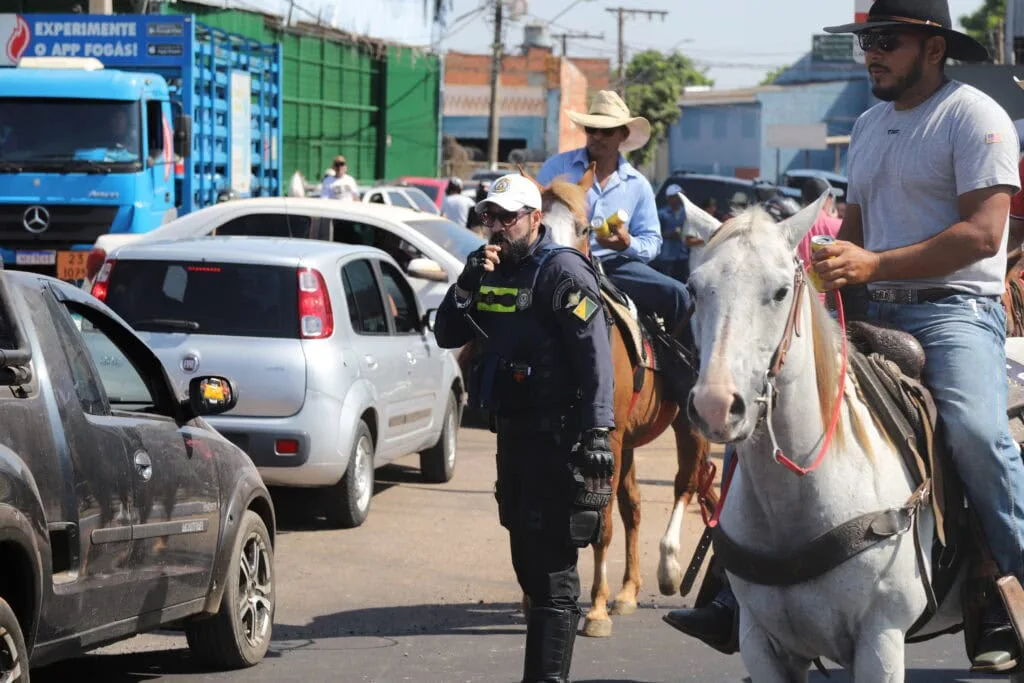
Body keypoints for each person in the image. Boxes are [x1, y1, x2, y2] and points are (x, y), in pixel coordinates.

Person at [666, 0, 1024, 670]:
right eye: (867, 42)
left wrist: (873, 263)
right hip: (869, 306)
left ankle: (1010, 585)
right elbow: (855, 232)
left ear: (933, 47)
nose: (872, 54)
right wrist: (833, 266)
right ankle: (731, 586)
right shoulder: (866, 126)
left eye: (886, 41)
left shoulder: (975, 117)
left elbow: (983, 234)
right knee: (765, 406)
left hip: (956, 313)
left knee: (976, 431)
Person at [433, 174, 616, 683]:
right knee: (527, 565)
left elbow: (595, 358)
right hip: (513, 439)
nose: (496, 226)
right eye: (490, 215)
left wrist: (598, 432)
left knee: (554, 577)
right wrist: (466, 284)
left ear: (536, 218)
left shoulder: (562, 272)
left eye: (507, 217)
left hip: (559, 443)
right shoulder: (489, 269)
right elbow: (447, 332)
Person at [535, 90, 693, 397]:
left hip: (617, 265)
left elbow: (652, 242)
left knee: (678, 295)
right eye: (591, 129)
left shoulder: (638, 184)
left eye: (606, 131)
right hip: (562, 265)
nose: (597, 136)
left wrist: (626, 243)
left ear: (622, 134)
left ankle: (684, 382)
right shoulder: (557, 168)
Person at [653, 183, 690, 282]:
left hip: (682, 255)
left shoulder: (686, 213)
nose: (678, 199)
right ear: (668, 198)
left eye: (679, 196)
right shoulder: (661, 214)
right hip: (667, 256)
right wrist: (669, 235)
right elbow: (654, 233)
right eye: (675, 196)